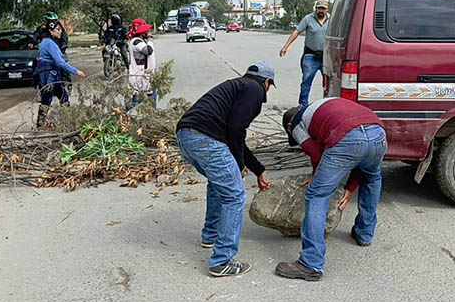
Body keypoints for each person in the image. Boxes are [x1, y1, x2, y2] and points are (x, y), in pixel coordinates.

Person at [175, 62, 274, 277]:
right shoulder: (254, 89)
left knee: (218, 183)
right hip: (206, 139)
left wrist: (258, 169)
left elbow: (234, 133)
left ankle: (210, 234)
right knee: (235, 195)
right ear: (267, 83)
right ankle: (222, 261)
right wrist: (239, 165)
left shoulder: (236, 85)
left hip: (186, 136)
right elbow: (236, 130)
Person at [275, 97, 386, 281]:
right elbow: (361, 158)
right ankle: (364, 233)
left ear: (289, 126)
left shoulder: (296, 123)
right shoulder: (326, 105)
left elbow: (316, 154)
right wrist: (350, 187)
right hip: (378, 133)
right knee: (372, 178)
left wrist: (317, 176)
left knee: (317, 195)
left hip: (348, 137)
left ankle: (311, 264)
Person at [33, 21, 86, 128]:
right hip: (48, 74)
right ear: (50, 31)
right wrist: (76, 71)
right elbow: (60, 62)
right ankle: (40, 124)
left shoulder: (45, 42)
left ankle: (67, 121)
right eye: (58, 29)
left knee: (63, 96)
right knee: (47, 98)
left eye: (61, 29)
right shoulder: (49, 43)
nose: (60, 31)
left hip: (52, 73)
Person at [279, 0, 329, 107]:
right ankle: (302, 104)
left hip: (326, 57)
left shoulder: (332, 19)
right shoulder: (308, 19)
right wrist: (285, 47)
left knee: (329, 83)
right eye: (319, 8)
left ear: (327, 10)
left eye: (323, 9)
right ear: (315, 8)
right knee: (306, 81)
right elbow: (297, 32)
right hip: (311, 56)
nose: (321, 10)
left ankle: (328, 104)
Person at [126, 19, 157, 109]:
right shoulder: (136, 41)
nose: (148, 32)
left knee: (145, 98)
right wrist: (150, 39)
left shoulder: (139, 41)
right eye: (146, 30)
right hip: (140, 77)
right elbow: (148, 51)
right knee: (134, 102)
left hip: (144, 77)